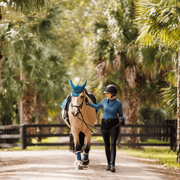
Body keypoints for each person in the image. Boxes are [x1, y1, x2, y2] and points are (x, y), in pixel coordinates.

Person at [86, 84, 124, 172]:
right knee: (107, 145)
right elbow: (97, 107)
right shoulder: (104, 101)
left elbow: (121, 115)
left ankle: (113, 165)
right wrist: (88, 103)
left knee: (113, 144)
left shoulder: (118, 103)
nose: (105, 94)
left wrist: (122, 119)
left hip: (114, 124)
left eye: (107, 93)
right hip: (104, 124)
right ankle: (108, 164)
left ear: (112, 94)